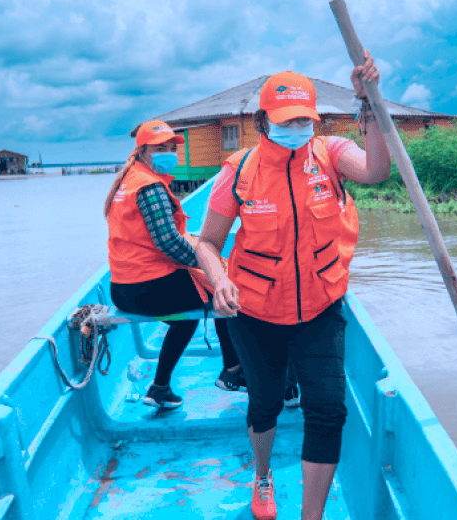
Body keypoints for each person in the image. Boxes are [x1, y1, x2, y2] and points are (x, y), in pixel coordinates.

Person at [195, 57, 391, 520]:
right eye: (287, 120)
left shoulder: (332, 154)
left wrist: (370, 103)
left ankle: (311, 516)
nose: (298, 127)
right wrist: (219, 278)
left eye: (306, 118)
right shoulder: (239, 171)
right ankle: (263, 477)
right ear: (263, 121)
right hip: (256, 311)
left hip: (321, 308)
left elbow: (378, 169)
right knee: (265, 404)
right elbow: (206, 243)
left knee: (327, 411)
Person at [105, 120, 245, 409]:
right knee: (224, 294)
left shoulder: (128, 179)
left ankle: (159, 388)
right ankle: (232, 371)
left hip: (122, 286)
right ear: (143, 151)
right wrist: (211, 267)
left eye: (171, 148)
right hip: (147, 285)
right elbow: (168, 242)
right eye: (160, 148)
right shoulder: (150, 187)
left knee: (187, 318)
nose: (168, 153)